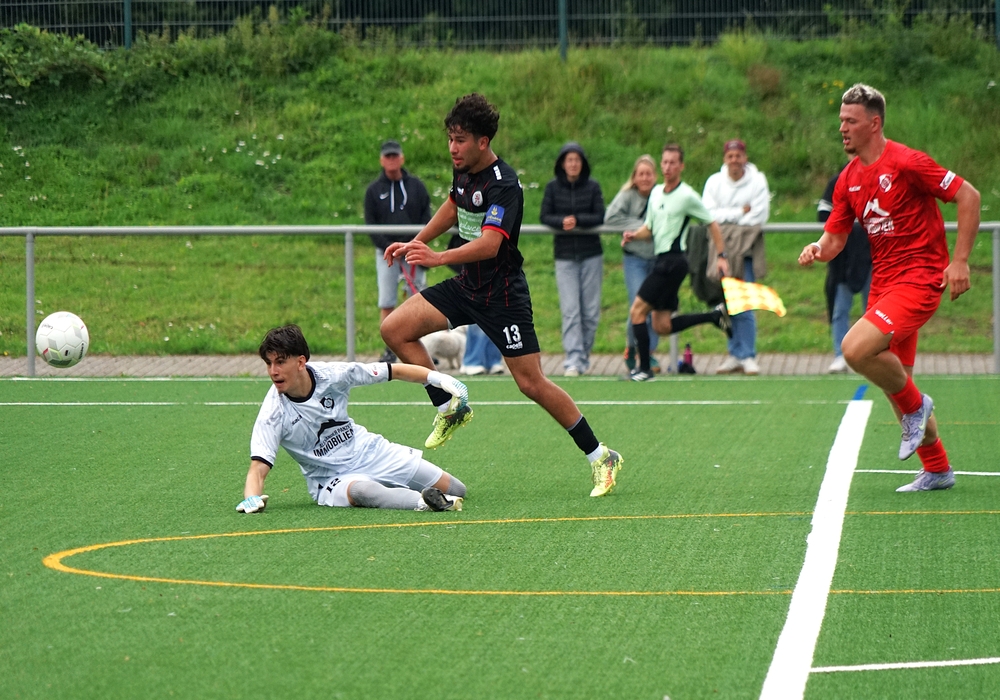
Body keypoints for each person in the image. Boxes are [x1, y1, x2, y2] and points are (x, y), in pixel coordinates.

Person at [380, 93, 624, 498]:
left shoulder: (505, 183)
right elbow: (453, 205)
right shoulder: (463, 170)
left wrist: (438, 257)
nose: (452, 148)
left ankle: (601, 456)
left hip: (503, 295)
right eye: (450, 139)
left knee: (531, 383)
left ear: (483, 141)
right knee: (394, 329)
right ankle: (448, 406)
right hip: (467, 287)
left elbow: (491, 244)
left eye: (460, 140)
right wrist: (417, 241)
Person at [798, 83, 980, 492]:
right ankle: (938, 469)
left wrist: (960, 261)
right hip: (884, 284)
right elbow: (835, 238)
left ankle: (918, 406)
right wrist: (817, 249)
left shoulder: (908, 162)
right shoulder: (848, 179)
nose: (842, 128)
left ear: (874, 123)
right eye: (841, 120)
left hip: (919, 278)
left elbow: (969, 196)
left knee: (854, 349)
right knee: (896, 384)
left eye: (851, 121)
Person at [237, 324, 468, 514]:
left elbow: (394, 371)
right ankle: (424, 502)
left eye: (280, 362)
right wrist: (251, 498)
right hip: (332, 478)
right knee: (363, 492)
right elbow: (258, 468)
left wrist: (439, 379)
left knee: (457, 489)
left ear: (300, 362)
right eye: (269, 363)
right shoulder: (272, 413)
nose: (273, 371)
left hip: (371, 452)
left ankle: (418, 493)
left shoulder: (333, 375)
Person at [622, 143, 732, 382]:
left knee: (637, 312)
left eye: (673, 162)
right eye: (665, 162)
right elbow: (649, 228)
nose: (668, 167)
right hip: (663, 261)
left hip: (673, 262)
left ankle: (644, 369)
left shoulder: (687, 196)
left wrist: (721, 257)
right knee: (661, 325)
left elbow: (712, 224)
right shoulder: (656, 193)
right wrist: (633, 235)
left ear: (681, 166)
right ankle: (714, 317)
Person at [702, 139, 771, 375]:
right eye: (730, 156)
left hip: (746, 249)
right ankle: (734, 353)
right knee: (729, 302)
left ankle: (748, 355)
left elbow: (759, 215)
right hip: (722, 251)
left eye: (738, 156)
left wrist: (726, 219)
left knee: (745, 301)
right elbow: (709, 214)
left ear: (745, 157)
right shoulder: (714, 182)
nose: (734, 160)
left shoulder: (758, 181)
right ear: (725, 159)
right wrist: (740, 211)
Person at [540, 142, 606, 376]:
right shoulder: (552, 188)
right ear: (562, 164)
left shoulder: (593, 186)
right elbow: (544, 215)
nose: (573, 164)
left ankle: (583, 356)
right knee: (570, 310)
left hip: (591, 255)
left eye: (577, 160)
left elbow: (600, 215)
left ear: (582, 163)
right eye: (569, 160)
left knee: (590, 312)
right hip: (565, 256)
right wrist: (561, 222)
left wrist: (578, 221)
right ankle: (573, 359)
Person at [364, 139, 433, 363]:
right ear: (382, 160)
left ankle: (421, 349)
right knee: (387, 301)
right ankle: (390, 349)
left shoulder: (417, 187)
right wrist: (390, 248)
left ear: (402, 158)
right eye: (388, 156)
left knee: (419, 301)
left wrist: (412, 244)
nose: (392, 160)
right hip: (387, 255)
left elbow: (427, 218)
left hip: (413, 251)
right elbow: (371, 224)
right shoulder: (374, 190)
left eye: (395, 156)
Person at [605, 154, 660, 374]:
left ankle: (648, 352)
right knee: (638, 305)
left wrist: (652, 227)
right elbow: (611, 217)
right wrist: (643, 227)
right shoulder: (627, 196)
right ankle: (632, 346)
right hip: (635, 258)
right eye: (641, 174)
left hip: (658, 258)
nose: (645, 178)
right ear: (635, 177)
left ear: (655, 176)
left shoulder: (660, 195)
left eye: (649, 174)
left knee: (653, 307)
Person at [817, 167, 872, 373]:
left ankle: (869, 355)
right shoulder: (837, 181)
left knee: (872, 311)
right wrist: (844, 222)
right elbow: (823, 215)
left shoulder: (877, 180)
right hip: (842, 260)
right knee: (840, 310)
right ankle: (840, 355)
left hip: (872, 256)